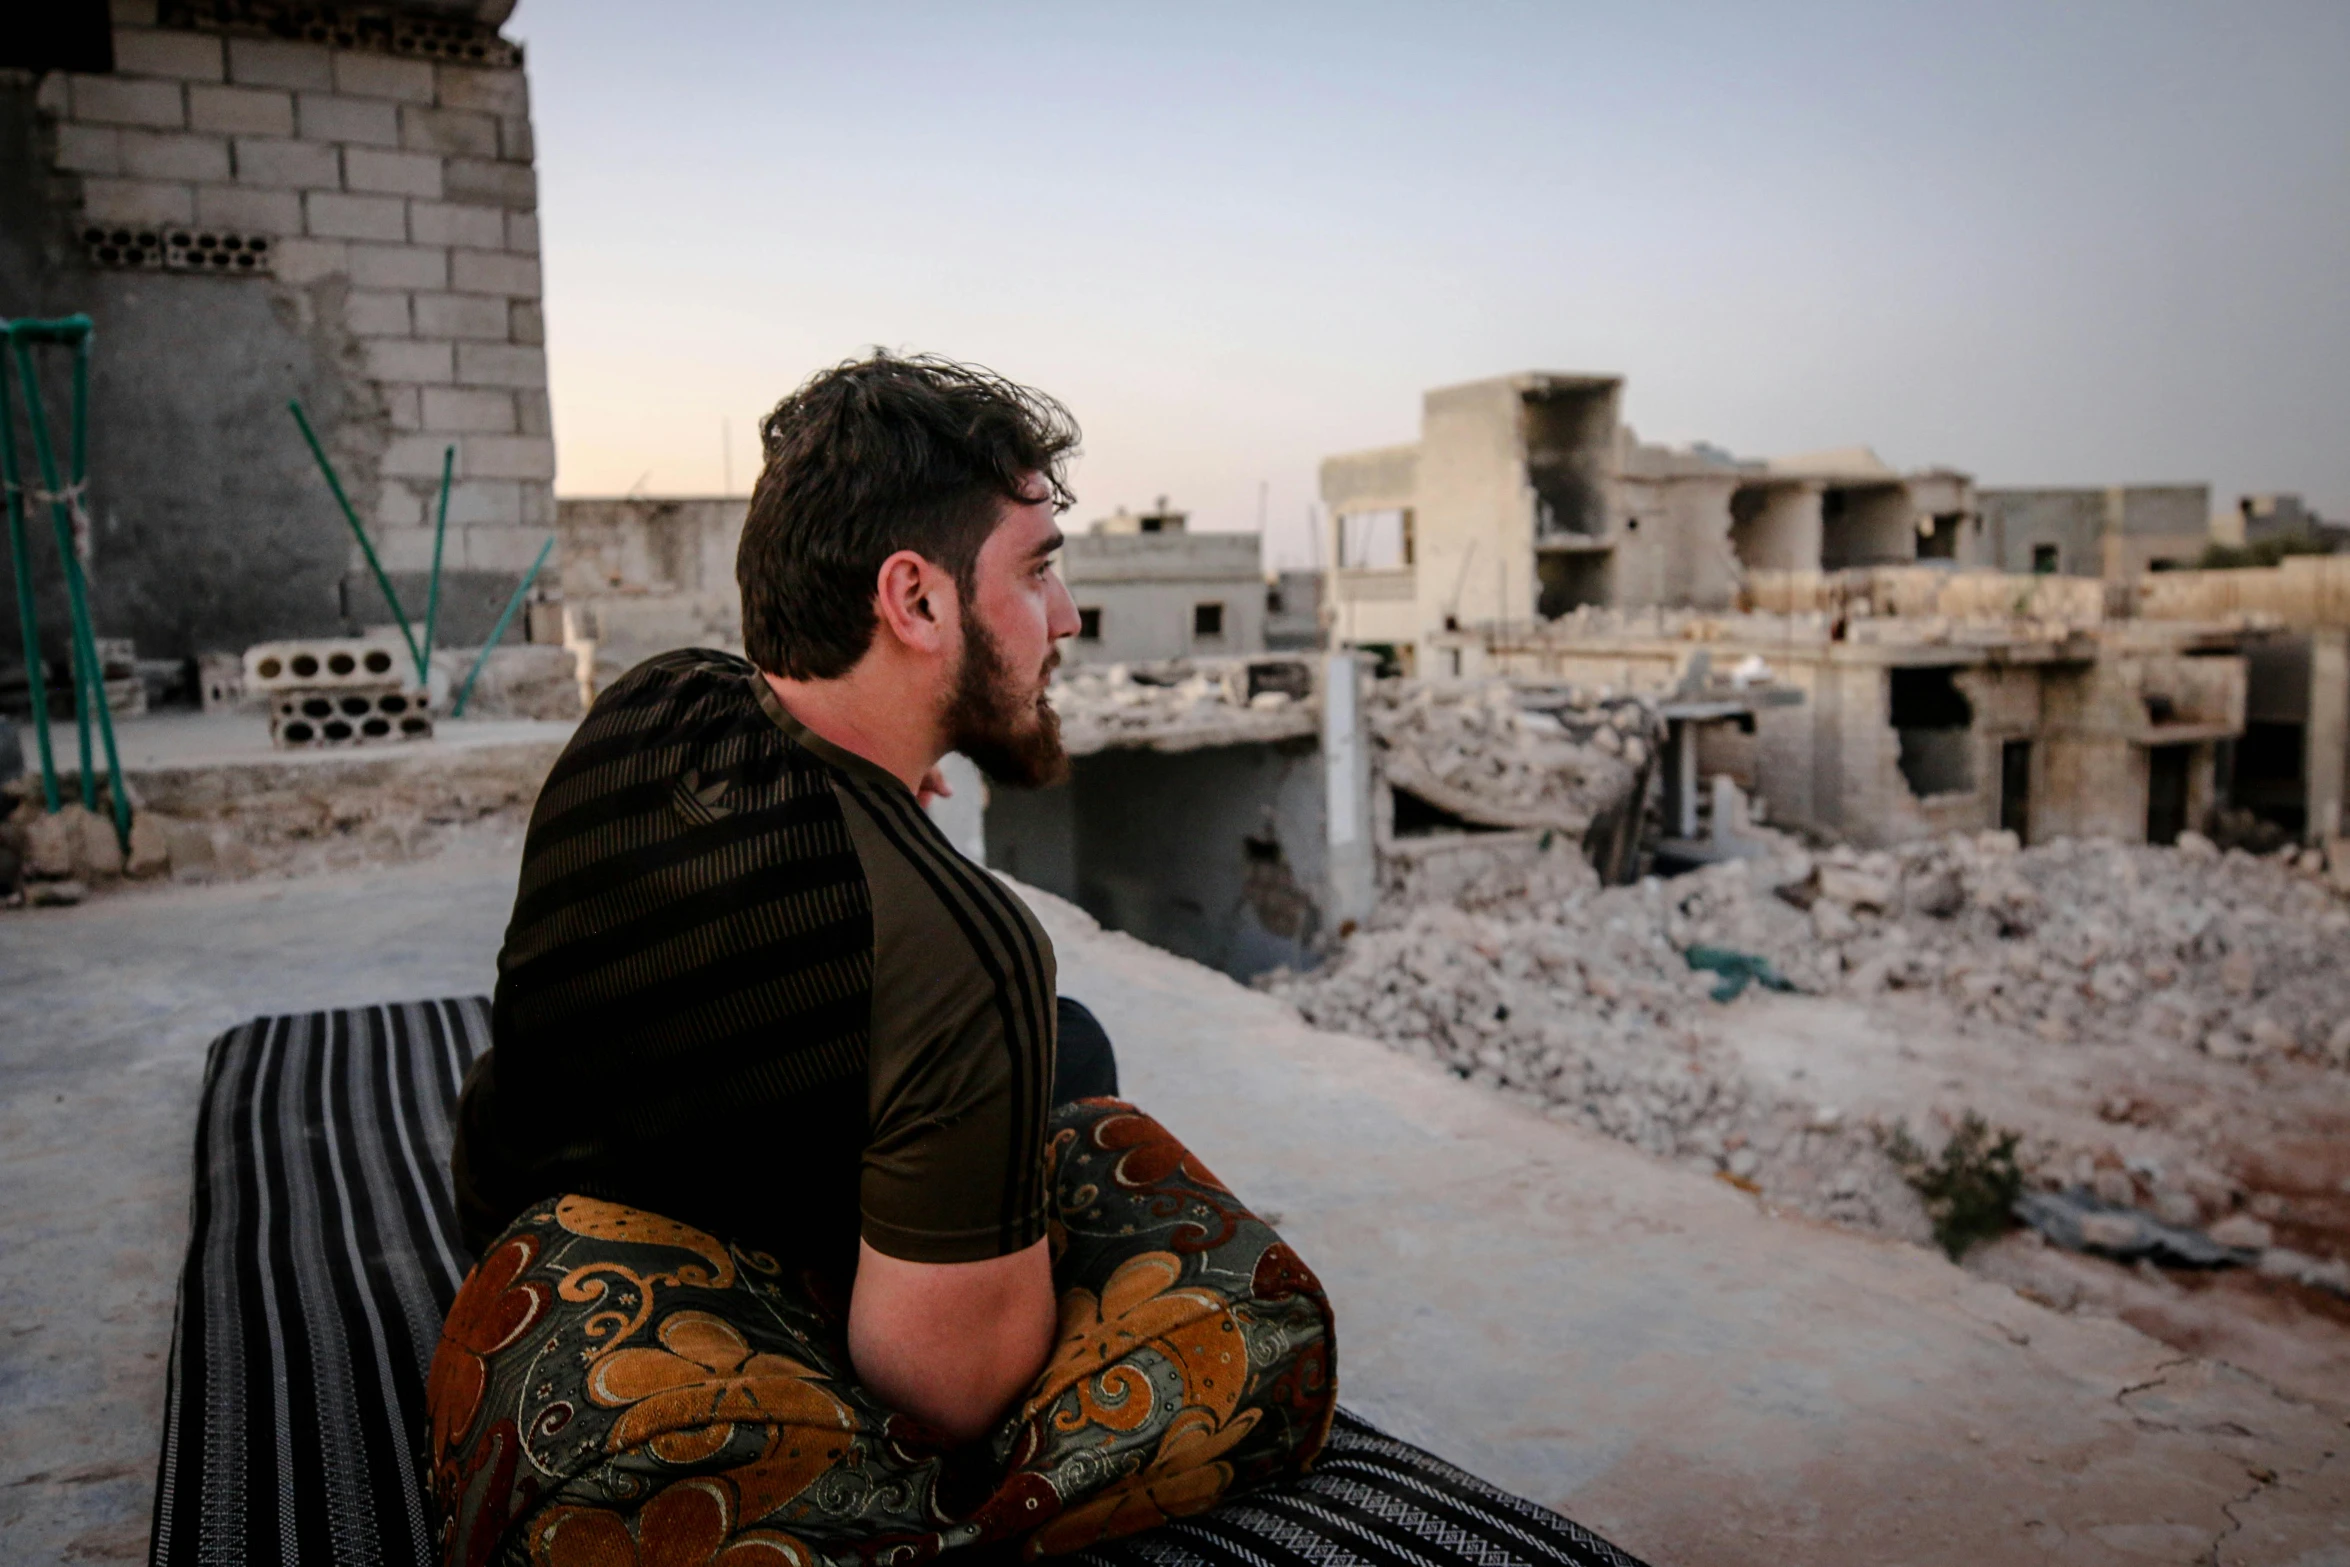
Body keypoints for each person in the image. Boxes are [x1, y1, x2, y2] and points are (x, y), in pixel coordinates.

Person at [450, 351, 1107, 1442]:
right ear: (914, 598)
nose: (1068, 615)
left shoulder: (651, 701)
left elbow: (780, 708)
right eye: (1037, 571)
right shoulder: (960, 942)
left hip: (502, 1231)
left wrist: (885, 771)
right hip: (680, 1391)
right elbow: (946, 1396)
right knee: (1069, 1053)